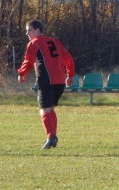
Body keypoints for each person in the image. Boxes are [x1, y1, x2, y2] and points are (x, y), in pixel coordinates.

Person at [17, 20, 75, 149]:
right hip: (60, 81)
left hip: (46, 80)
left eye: (29, 30)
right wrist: (70, 75)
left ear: (37, 30)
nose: (27, 33)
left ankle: (50, 137)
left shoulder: (34, 43)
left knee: (44, 109)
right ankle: (52, 137)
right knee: (51, 109)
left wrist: (22, 73)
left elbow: (28, 60)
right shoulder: (55, 41)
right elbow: (68, 58)